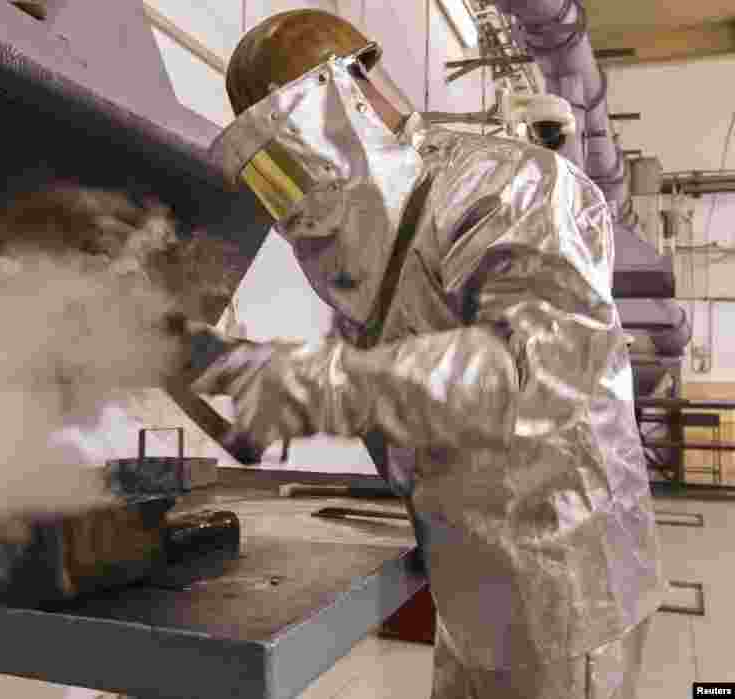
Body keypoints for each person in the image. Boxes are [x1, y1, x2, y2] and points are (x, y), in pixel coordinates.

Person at [182, 10, 665, 699]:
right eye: (270, 178)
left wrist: (310, 386)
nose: (292, 197)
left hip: (565, 591)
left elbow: (535, 376)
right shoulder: (378, 247)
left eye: (294, 155)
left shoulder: (511, 188)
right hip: (473, 582)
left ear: (357, 90)